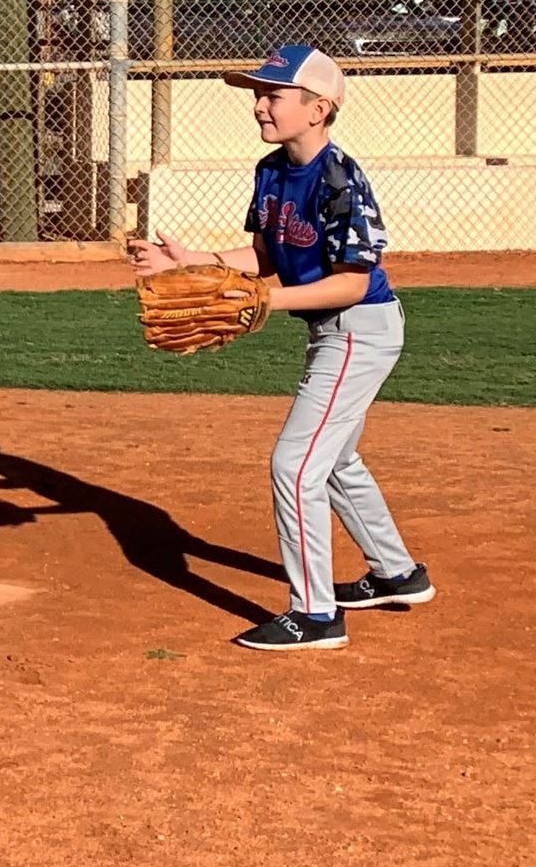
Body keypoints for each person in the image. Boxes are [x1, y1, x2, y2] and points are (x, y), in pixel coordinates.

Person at [127, 45, 431, 652]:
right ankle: (397, 573)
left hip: (359, 328)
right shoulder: (271, 171)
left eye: (273, 94)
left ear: (318, 108)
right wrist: (192, 261)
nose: (259, 104)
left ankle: (316, 616)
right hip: (337, 333)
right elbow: (268, 255)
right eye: (257, 93)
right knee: (334, 460)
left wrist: (264, 303)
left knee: (295, 466)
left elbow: (351, 280)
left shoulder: (340, 178)